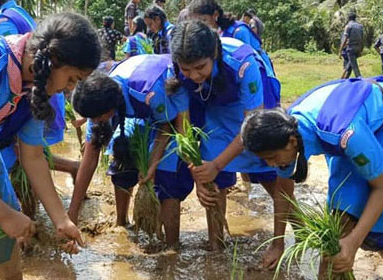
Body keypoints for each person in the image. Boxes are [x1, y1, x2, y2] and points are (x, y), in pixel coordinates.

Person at [0, 12, 101, 278]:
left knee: (3, 233)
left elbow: (34, 158)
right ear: (52, 60)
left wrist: (61, 220)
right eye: (71, 78)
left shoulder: (36, 88)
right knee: (4, 217)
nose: (69, 89)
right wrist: (4, 215)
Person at [164, 21, 293, 257]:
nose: (193, 75)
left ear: (214, 53)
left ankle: (300, 237)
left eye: (200, 67)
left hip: (252, 104)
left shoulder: (243, 64)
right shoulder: (178, 71)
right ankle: (216, 247)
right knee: (212, 163)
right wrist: (200, 172)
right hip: (214, 103)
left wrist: (216, 165)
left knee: (270, 168)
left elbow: (252, 127)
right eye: (186, 69)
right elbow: (185, 130)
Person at [241, 77, 383, 277]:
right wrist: (277, 244)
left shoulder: (344, 134)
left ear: (291, 142)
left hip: (375, 124)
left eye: (272, 158)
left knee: (369, 227)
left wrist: (353, 242)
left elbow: (381, 187)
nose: (271, 165)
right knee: (338, 225)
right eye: (266, 160)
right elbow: (282, 191)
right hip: (348, 129)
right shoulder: (284, 130)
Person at [68, 55, 189, 242]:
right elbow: (90, 158)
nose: (93, 122)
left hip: (168, 110)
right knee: (121, 161)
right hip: (137, 112)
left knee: (167, 177)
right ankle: (122, 223)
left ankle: (172, 245)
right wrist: (72, 212)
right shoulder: (98, 102)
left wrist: (151, 163)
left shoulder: (149, 91)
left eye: (96, 118)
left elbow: (168, 125)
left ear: (109, 110)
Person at [0, 0, 79, 185]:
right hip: (33, 96)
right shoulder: (18, 12)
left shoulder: (3, 20)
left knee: (18, 155)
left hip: (24, 99)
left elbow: (14, 67)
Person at [187, 0, 274, 75]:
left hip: (258, 72)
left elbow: (247, 62)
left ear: (215, 15)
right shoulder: (211, 34)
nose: (199, 26)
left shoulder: (238, 31)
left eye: (203, 20)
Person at [339, 12, 364, 78]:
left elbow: (345, 39)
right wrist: (361, 49)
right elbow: (362, 39)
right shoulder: (360, 26)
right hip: (358, 47)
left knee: (354, 66)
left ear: (348, 18)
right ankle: (344, 79)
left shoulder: (348, 26)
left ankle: (359, 78)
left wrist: (340, 50)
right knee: (350, 64)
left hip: (351, 48)